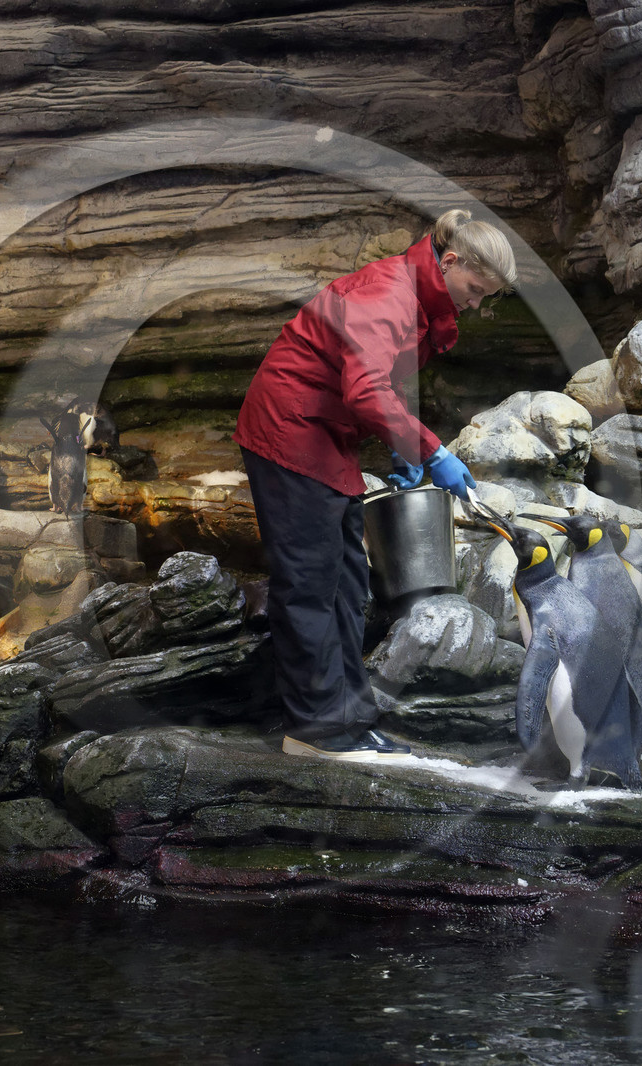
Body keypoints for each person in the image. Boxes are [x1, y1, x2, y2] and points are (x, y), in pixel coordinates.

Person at [234, 208, 518, 761]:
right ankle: (315, 730)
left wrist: (399, 443)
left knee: (347, 582)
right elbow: (365, 388)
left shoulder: (414, 296)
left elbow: (380, 378)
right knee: (310, 583)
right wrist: (431, 451)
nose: (475, 304)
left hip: (324, 435)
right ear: (450, 262)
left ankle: (350, 720)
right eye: (475, 290)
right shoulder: (388, 292)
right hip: (290, 431)